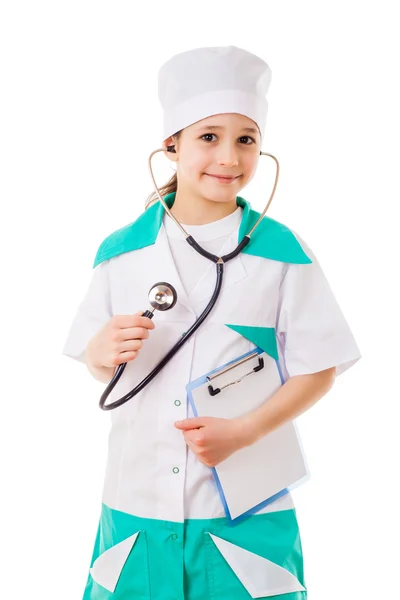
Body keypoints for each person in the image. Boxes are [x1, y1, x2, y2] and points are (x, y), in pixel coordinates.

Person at [62, 45, 362, 600]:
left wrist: (244, 431)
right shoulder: (119, 253)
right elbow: (96, 359)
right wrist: (99, 352)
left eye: (245, 139)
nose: (229, 156)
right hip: (135, 506)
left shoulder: (283, 252)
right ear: (171, 144)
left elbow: (320, 368)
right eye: (208, 136)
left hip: (242, 509)